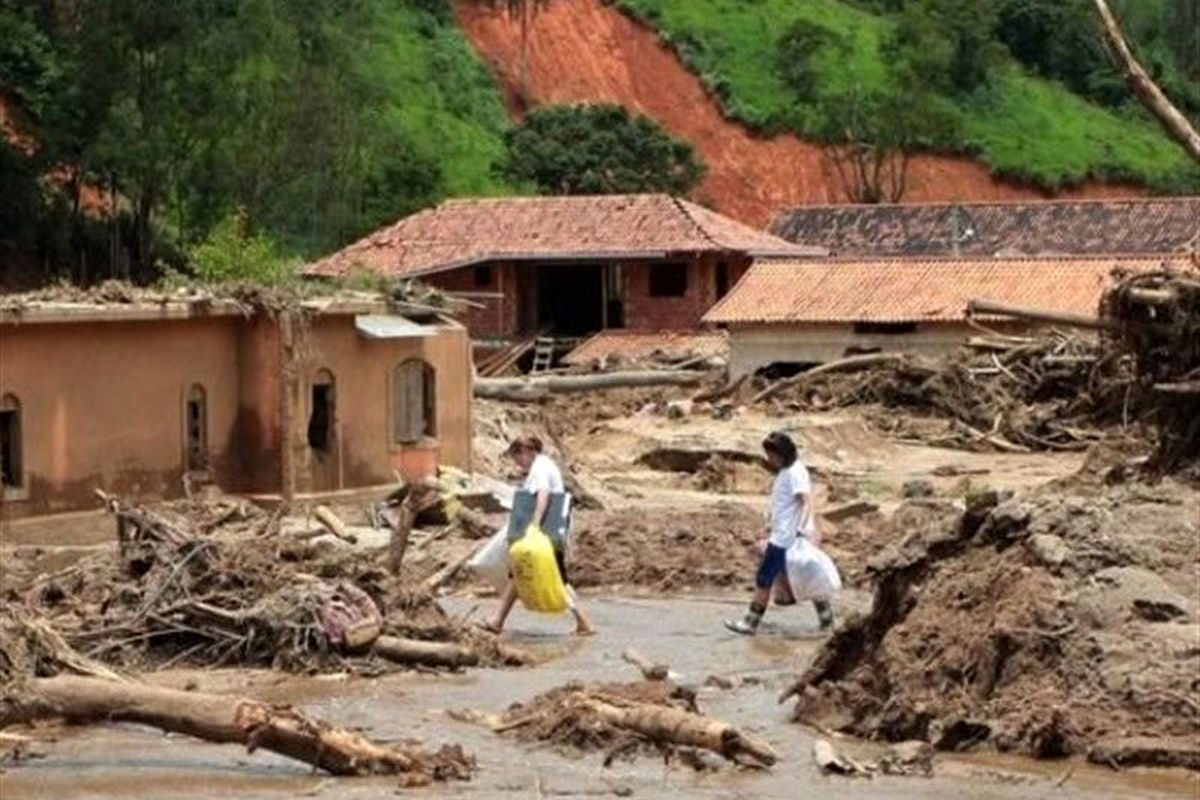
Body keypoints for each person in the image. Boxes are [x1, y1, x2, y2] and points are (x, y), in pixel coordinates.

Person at [482, 435, 594, 636]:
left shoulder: (540, 468)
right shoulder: (542, 466)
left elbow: (544, 494)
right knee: (518, 572)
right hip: (547, 530)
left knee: (557, 577)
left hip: (544, 531)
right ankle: (497, 620)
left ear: (526, 452)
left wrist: (534, 524)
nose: (517, 463)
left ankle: (583, 621)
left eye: (518, 457)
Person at [725, 431, 833, 635]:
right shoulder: (790, 470)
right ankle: (827, 624)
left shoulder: (794, 472)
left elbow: (806, 501)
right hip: (785, 535)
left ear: (781, 454)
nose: (769, 460)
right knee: (808, 577)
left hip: (785, 539)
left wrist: (801, 531)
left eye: (771, 455)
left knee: (764, 579)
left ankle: (750, 623)